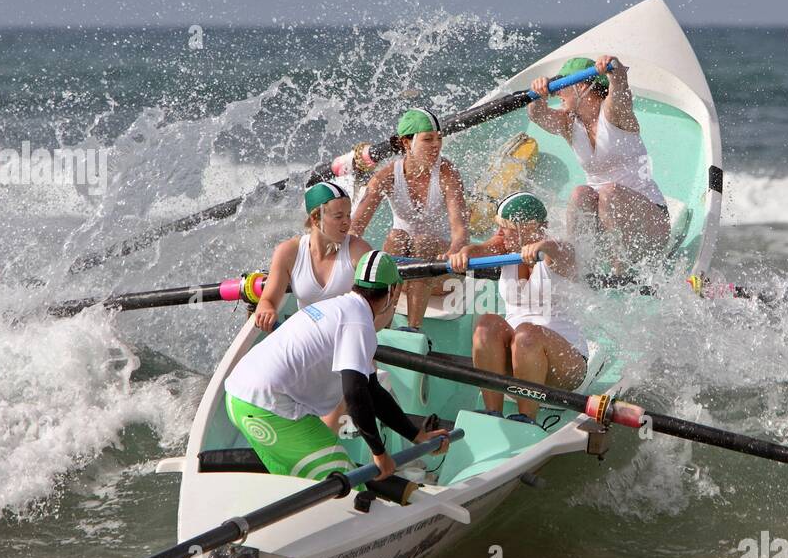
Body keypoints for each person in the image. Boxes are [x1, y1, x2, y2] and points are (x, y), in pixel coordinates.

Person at [224, 251, 450, 481]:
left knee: (297, 485)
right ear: (392, 292)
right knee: (348, 487)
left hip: (236, 397)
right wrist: (380, 453)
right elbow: (354, 393)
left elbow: (373, 392)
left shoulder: (338, 306)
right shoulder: (359, 323)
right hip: (266, 407)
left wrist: (417, 435)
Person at [446, 192, 588, 425]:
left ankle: (526, 418)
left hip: (564, 365)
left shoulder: (558, 253)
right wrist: (464, 254)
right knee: (486, 324)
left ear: (528, 228)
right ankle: (492, 411)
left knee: (526, 333)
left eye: (505, 228)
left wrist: (543, 246)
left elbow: (562, 249)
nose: (499, 234)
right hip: (517, 363)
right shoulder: (505, 245)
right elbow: (479, 249)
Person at [527, 54, 670, 269]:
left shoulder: (614, 112)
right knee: (580, 192)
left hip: (651, 224)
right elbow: (537, 115)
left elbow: (620, 85)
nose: (557, 93)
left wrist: (614, 68)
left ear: (583, 85)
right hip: (609, 226)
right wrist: (538, 94)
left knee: (608, 192)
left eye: (562, 85)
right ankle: (575, 265)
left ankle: (620, 270)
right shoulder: (568, 123)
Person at [351, 107, 469, 331]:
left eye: (439, 139)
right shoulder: (386, 176)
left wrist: (455, 251)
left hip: (441, 274)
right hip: (402, 275)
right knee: (396, 237)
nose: (436, 146)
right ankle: (382, 326)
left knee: (423, 241)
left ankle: (413, 328)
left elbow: (460, 230)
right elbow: (355, 227)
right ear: (406, 143)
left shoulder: (447, 173)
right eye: (428, 139)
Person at [251, 181, 373, 332]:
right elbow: (267, 301)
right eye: (339, 216)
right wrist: (266, 310)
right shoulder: (288, 252)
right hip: (307, 339)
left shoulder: (359, 251)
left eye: (348, 215)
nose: (347, 222)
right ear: (315, 218)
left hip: (348, 337)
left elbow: (380, 308)